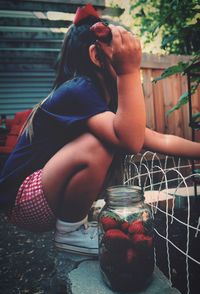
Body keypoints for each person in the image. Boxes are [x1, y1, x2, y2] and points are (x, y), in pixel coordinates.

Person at [0, 4, 199, 256]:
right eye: (122, 51)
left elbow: (154, 137)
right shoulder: (77, 91)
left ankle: (73, 227)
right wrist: (128, 71)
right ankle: (70, 233)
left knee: (108, 137)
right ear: (96, 56)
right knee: (101, 143)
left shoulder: (96, 102)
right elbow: (130, 141)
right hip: (22, 201)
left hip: (40, 198)